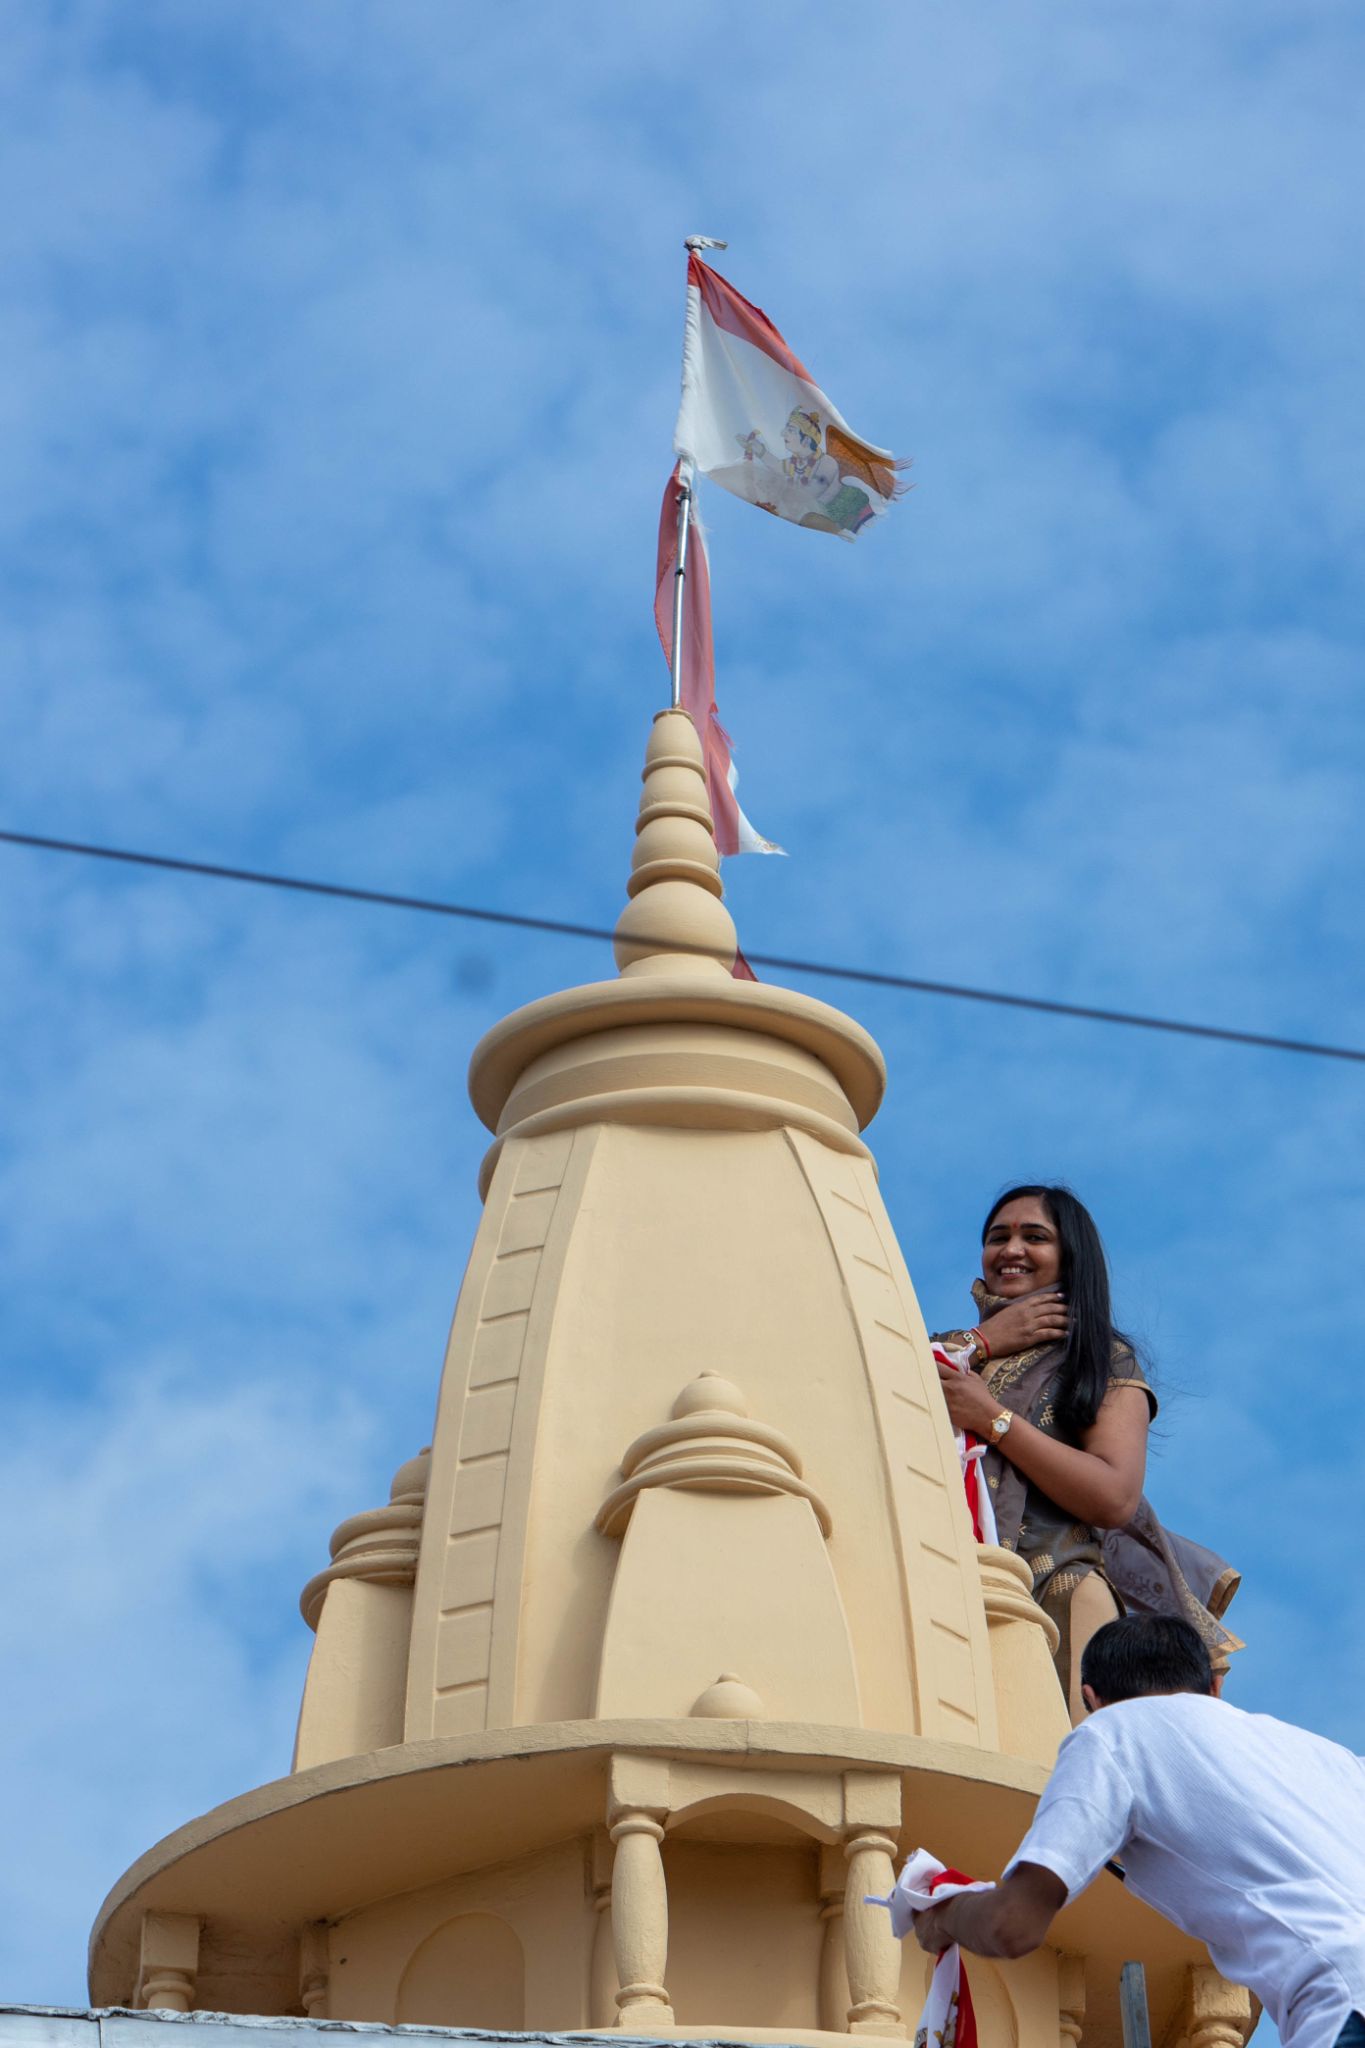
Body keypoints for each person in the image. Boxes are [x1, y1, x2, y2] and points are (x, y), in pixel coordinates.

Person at [909, 1615, 1365, 2048]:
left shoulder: (1112, 1732)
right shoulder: (1333, 1758)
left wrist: (939, 1917)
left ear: (1090, 1699)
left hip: (1346, 1997)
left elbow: (1012, 1925)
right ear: (1215, 1687)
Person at [934, 1185, 1240, 1718]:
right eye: (997, 1237)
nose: (1011, 1250)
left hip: (1058, 1597)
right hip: (938, 1586)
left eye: (1035, 1237)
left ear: (1071, 1258)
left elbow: (1115, 1497)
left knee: (1055, 1774)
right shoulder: (953, 1353)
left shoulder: (1101, 1360)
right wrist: (981, 1343)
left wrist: (993, 1420)